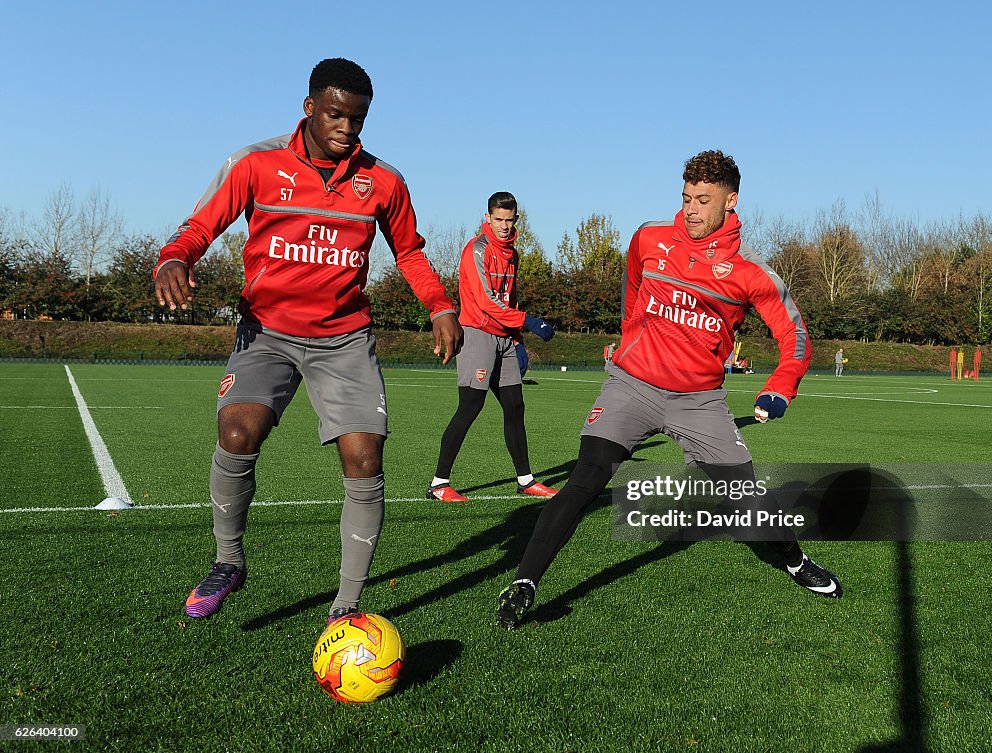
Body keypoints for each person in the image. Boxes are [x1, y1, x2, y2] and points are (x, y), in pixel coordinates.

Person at [153, 58, 462, 625]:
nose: (348, 129)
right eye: (337, 115)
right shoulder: (256, 164)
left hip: (344, 340)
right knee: (238, 430)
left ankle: (345, 608)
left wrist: (441, 306)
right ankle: (228, 561)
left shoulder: (385, 181)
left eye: (359, 120)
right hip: (266, 333)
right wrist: (175, 257)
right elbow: (199, 226)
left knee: (364, 458)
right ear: (310, 108)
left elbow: (410, 253)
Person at [495, 150, 842, 630]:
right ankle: (524, 584)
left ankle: (795, 560)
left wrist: (779, 388)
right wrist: (632, 338)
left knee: (745, 499)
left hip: (699, 402)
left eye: (704, 199)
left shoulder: (750, 275)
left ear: (731, 201)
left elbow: (796, 336)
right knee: (587, 476)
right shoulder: (649, 237)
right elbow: (632, 288)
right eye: (686, 197)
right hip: (631, 387)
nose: (693, 208)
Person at [427, 192, 557, 502]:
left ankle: (525, 480)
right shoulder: (477, 249)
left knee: (515, 407)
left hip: (505, 339)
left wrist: (517, 336)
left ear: (516, 220)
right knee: (470, 407)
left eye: (508, 220)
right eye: (498, 219)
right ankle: (438, 484)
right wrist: (528, 321)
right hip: (477, 333)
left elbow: (509, 298)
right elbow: (486, 303)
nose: (503, 225)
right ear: (488, 218)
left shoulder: (513, 252)